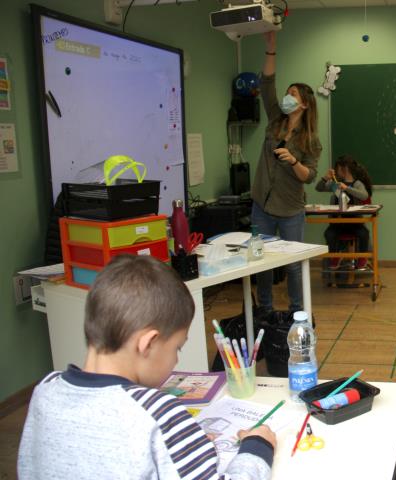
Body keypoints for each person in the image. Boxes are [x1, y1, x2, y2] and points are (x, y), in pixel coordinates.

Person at [18, 255, 276, 480]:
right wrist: (257, 446)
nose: (176, 360)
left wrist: (184, 450)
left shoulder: (45, 390)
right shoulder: (159, 414)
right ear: (148, 343)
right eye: (177, 347)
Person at [250, 30, 320, 315]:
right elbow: (267, 84)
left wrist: (293, 160)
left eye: (292, 94)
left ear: (304, 104)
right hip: (262, 206)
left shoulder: (310, 140)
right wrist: (271, 48)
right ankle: (264, 310)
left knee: (292, 264)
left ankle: (296, 312)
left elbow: (309, 176)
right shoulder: (275, 122)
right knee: (261, 262)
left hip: (291, 209)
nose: (286, 97)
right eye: (287, 93)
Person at [315, 154, 373, 269]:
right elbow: (319, 188)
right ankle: (334, 257)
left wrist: (347, 188)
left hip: (355, 223)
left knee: (364, 234)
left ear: (344, 169)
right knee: (329, 234)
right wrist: (325, 178)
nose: (336, 171)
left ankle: (362, 258)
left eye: (337, 168)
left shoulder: (357, 183)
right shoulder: (335, 185)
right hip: (338, 222)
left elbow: (364, 195)